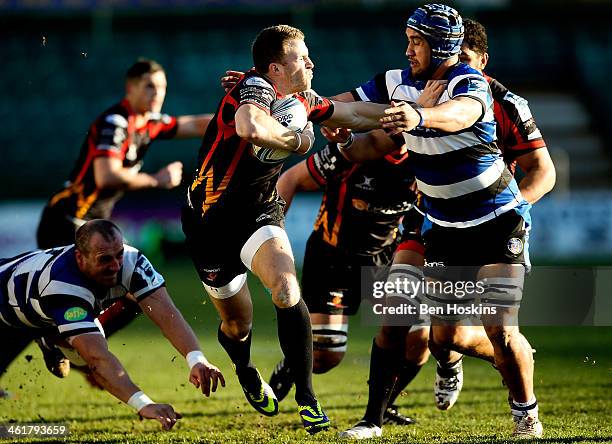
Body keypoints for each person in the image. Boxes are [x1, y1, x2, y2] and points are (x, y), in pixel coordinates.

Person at [334, 4, 548, 439]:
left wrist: (418, 115)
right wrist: (295, 109)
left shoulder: (473, 85)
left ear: (443, 46)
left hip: (496, 222)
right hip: (443, 227)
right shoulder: (397, 82)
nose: (409, 49)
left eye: (417, 41)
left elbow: (461, 113)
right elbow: (346, 112)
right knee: (443, 337)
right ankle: (383, 413)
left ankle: (526, 413)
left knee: (501, 328)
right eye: (409, 40)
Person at [182, 24, 390, 434]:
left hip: (259, 213)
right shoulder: (254, 87)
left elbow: (357, 114)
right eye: (301, 56)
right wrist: (295, 140)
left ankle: (307, 399)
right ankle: (244, 371)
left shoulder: (301, 100)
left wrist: (411, 114)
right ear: (276, 67)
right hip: (208, 223)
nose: (311, 62)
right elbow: (250, 126)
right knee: (237, 325)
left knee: (286, 289)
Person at [265, 83, 448, 426]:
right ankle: (292, 364)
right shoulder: (348, 155)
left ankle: (385, 406)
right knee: (325, 358)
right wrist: (272, 236)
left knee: (418, 341)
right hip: (332, 258)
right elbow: (290, 179)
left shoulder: (428, 160)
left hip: (385, 257)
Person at [34, 58, 213, 378]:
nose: (157, 93)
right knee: (114, 291)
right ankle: (65, 341)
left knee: (129, 291)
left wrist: (244, 117)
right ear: (130, 88)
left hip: (90, 224)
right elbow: (106, 175)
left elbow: (195, 124)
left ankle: (69, 343)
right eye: (149, 86)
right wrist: (157, 180)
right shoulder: (116, 122)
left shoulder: (149, 122)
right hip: (67, 221)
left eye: (162, 87)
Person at [0, 220, 225, 430]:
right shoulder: (62, 287)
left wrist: (197, 359)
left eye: (119, 254)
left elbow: (166, 313)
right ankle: (54, 336)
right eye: (105, 259)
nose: (116, 265)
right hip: (9, 310)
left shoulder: (132, 261)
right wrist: (143, 404)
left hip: (40, 310)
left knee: (93, 341)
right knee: (87, 354)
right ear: (80, 258)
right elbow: (98, 360)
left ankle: (54, 337)